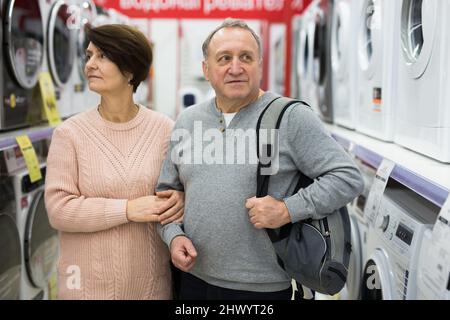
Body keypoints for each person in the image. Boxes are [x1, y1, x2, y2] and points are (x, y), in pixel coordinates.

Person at [156, 19, 364, 300]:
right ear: (206, 69)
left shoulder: (290, 117)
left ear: (260, 66)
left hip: (262, 288)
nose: (236, 67)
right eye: (224, 58)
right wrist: (173, 236)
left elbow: (348, 178)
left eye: (246, 57)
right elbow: (166, 193)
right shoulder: (187, 120)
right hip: (193, 278)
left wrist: (287, 210)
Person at [45, 24, 184, 300]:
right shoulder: (69, 134)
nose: (90, 65)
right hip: (84, 290)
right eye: (89, 56)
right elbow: (59, 210)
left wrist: (181, 198)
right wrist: (128, 209)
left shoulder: (165, 130)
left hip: (150, 288)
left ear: (130, 70)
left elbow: (177, 194)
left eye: (102, 56)